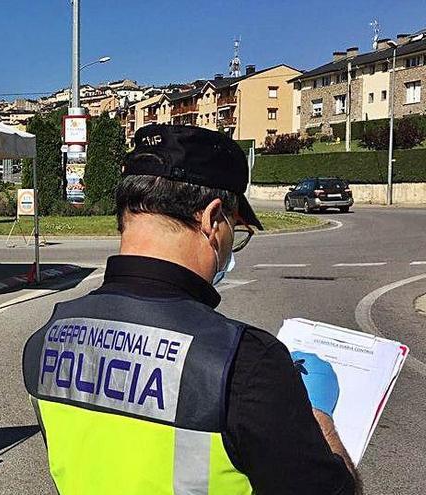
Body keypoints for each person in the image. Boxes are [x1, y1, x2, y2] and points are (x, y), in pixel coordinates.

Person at [22, 125, 362, 495]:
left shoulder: (46, 339)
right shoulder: (246, 363)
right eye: (235, 228)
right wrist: (318, 419)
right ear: (212, 218)